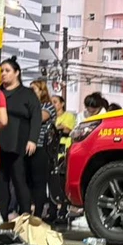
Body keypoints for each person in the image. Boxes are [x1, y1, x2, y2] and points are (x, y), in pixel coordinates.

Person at [0, 57, 40, 220]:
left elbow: (36, 117)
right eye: (1, 71)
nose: (3, 74)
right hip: (0, 141)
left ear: (17, 73)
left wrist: (32, 140)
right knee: (2, 179)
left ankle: (26, 214)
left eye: (7, 71)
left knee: (19, 178)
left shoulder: (27, 94)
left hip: (19, 141)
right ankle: (2, 214)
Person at [27, 80, 57, 219]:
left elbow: (38, 118)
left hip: (41, 148)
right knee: (27, 181)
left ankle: (39, 213)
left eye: (34, 90)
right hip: (26, 147)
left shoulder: (48, 107)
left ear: (42, 91)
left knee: (39, 182)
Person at [48, 95, 77, 223]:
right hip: (51, 152)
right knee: (51, 183)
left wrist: (56, 127)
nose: (53, 104)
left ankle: (63, 211)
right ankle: (52, 211)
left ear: (62, 103)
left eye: (55, 102)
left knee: (61, 183)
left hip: (63, 152)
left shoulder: (68, 116)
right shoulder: (51, 117)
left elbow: (67, 129)